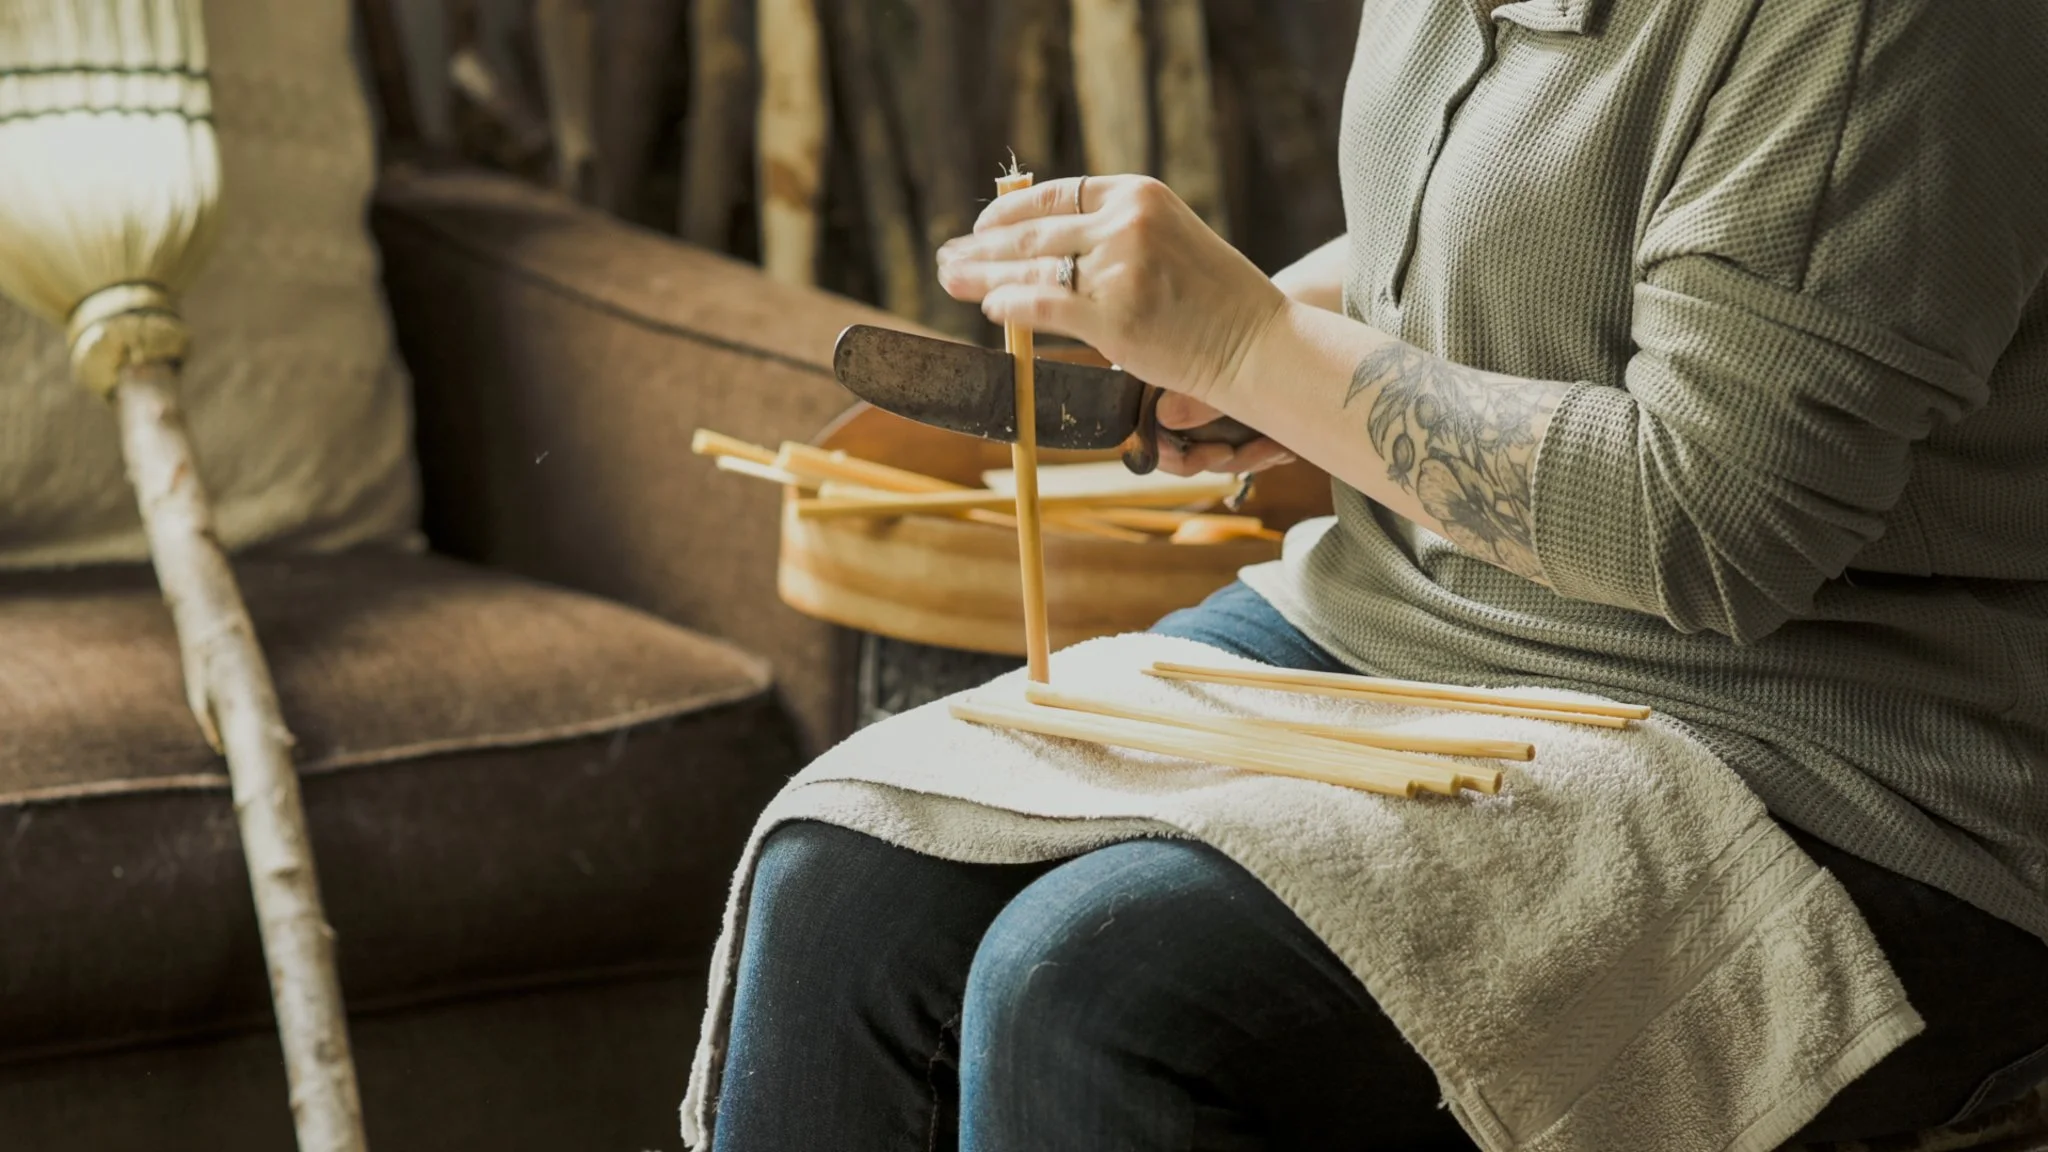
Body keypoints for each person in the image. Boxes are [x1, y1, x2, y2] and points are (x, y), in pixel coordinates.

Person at [707, 3, 2048, 1148]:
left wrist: (1248, 346)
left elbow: (1698, 524)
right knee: (844, 883)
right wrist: (1267, 341)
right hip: (1405, 610)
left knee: (1104, 987)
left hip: (1830, 748)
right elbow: (1507, 235)